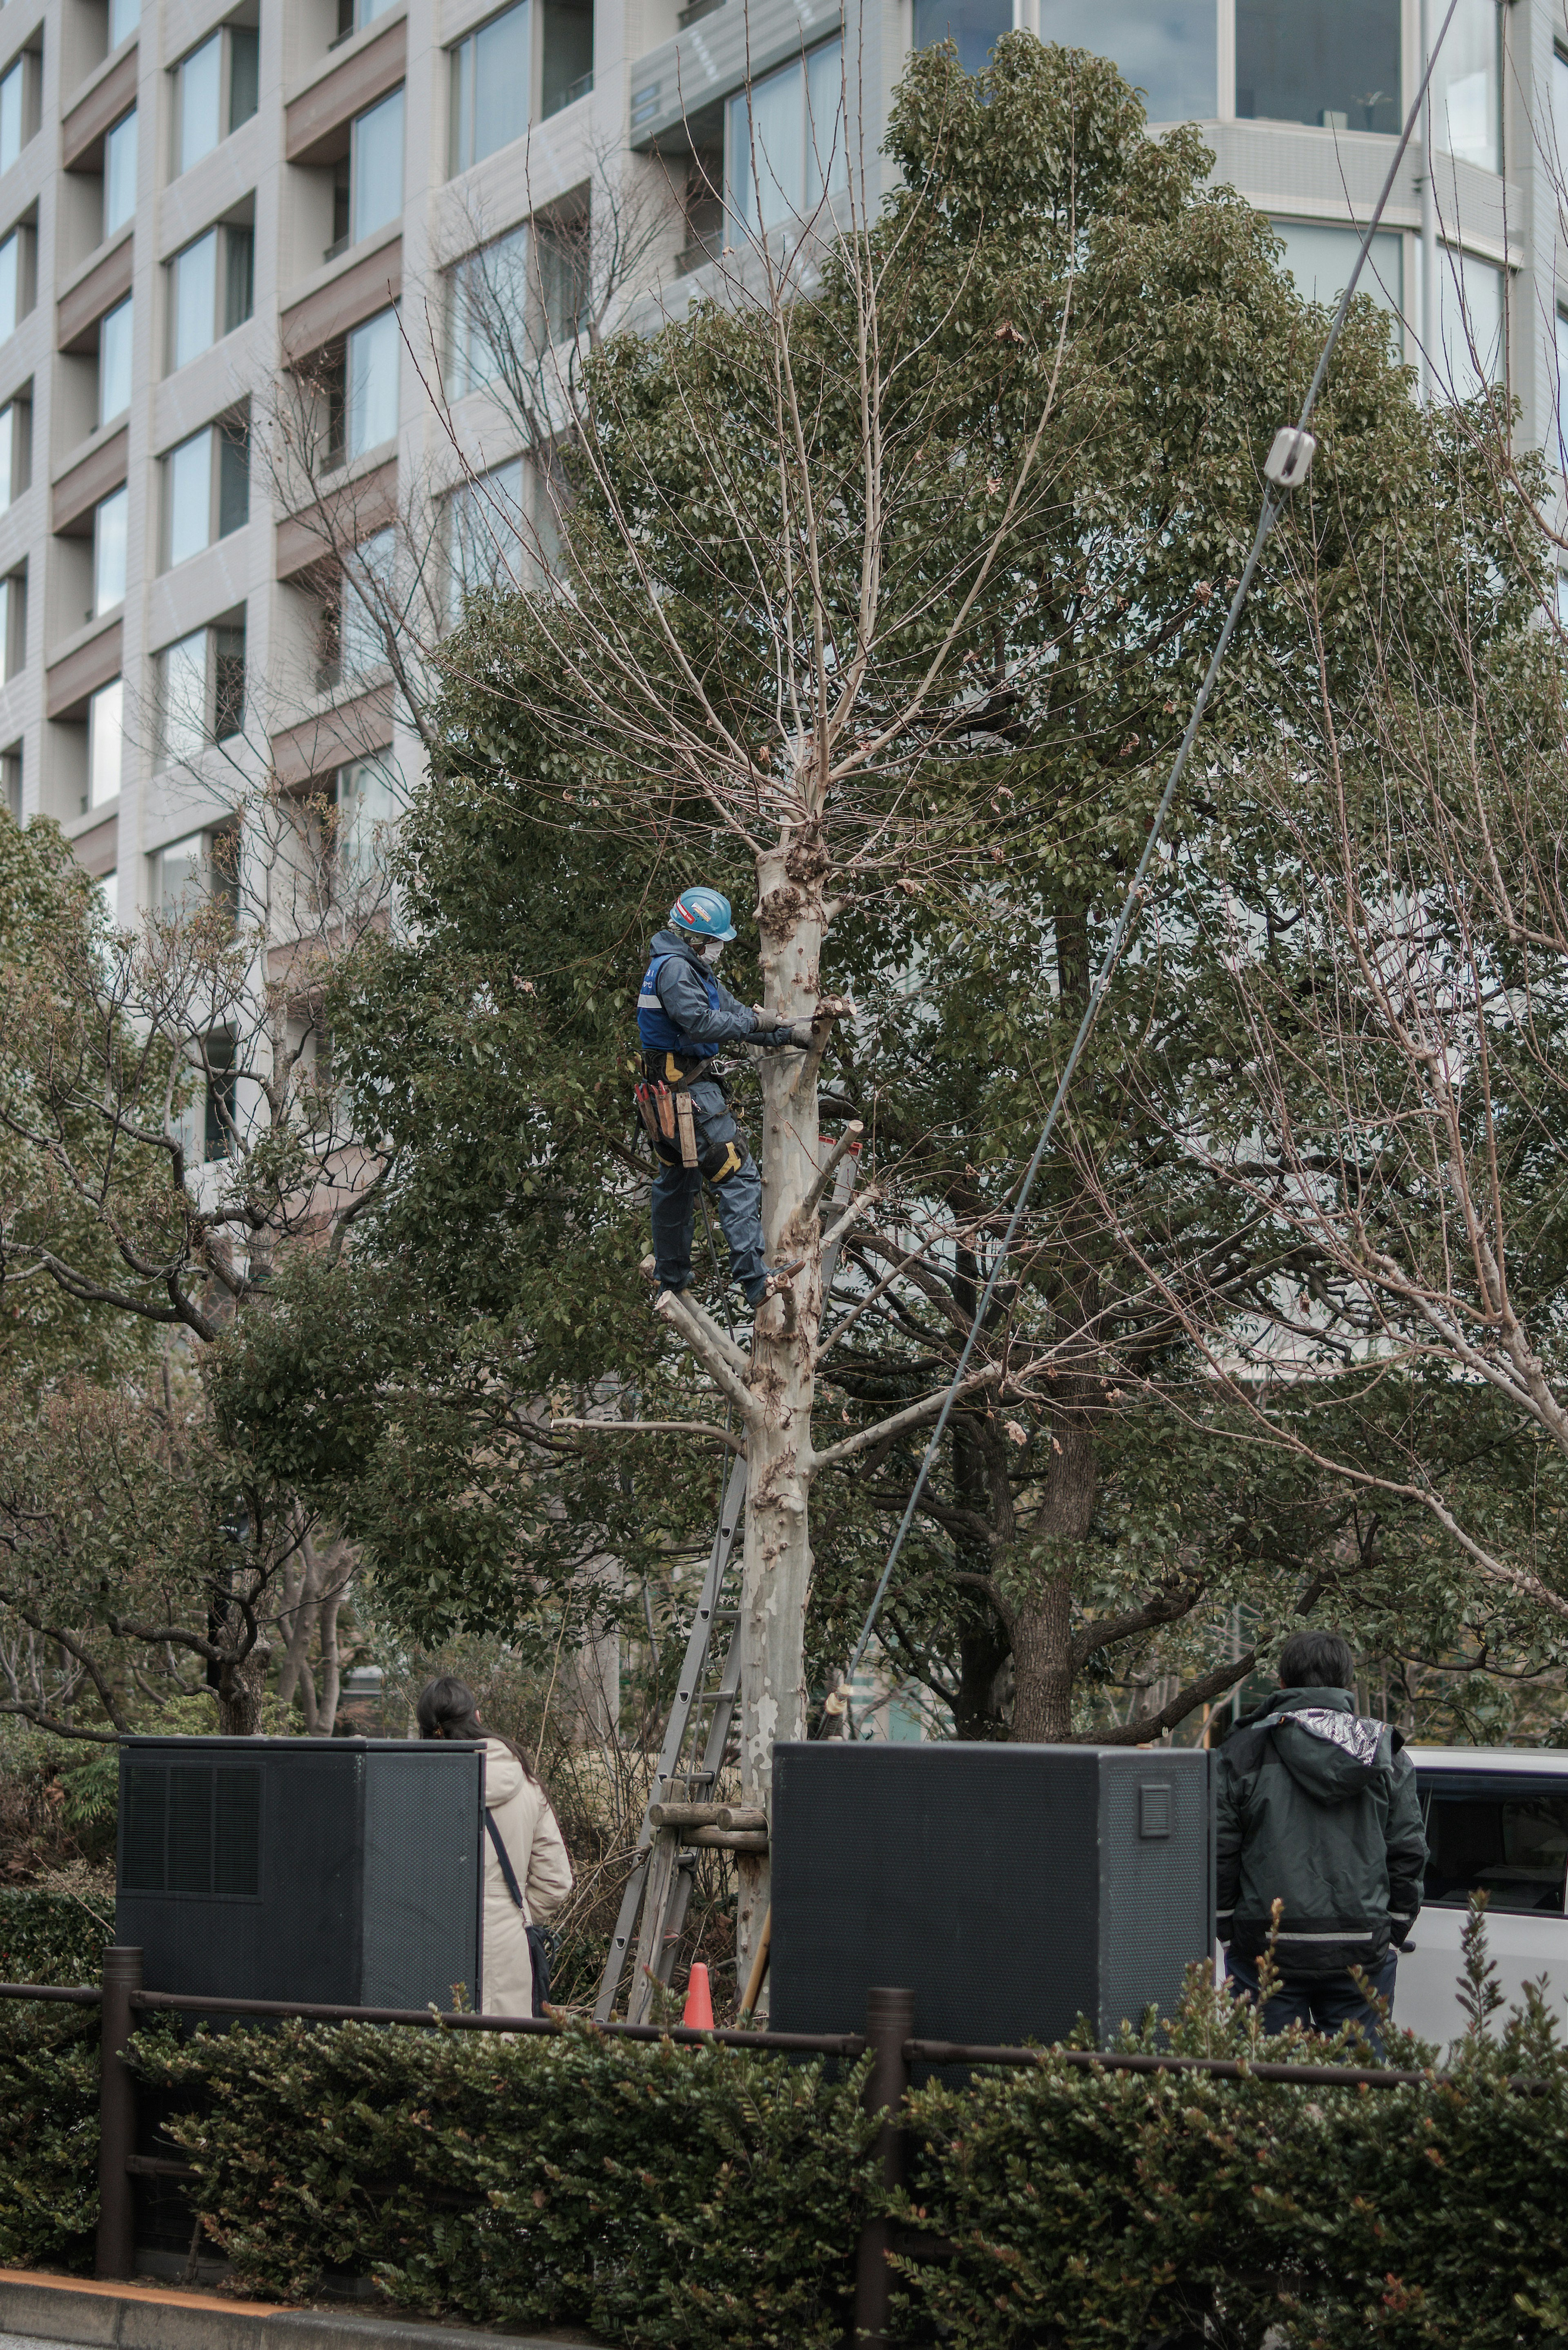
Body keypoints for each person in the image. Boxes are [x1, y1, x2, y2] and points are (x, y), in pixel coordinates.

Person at [1215, 1628, 1427, 2053]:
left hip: (1265, 1947)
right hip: (1361, 1945)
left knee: (1265, 2085)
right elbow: (1409, 1851)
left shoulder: (1243, 1751)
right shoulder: (1385, 1753)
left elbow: (1220, 1850)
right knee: (1357, 2093)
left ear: (1282, 1683)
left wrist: (1227, 1928)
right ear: (1348, 1685)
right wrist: (1394, 1930)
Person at [636, 887, 813, 1306]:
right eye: (716, 941)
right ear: (697, 936)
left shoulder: (688, 968)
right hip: (687, 1094)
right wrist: (756, 1019)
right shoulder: (676, 970)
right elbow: (700, 1024)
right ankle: (755, 1279)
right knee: (738, 1175)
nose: (718, 948)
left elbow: (734, 1017)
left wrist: (788, 1033)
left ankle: (672, 1278)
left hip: (669, 1097)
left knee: (677, 1184)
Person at [416, 1677, 573, 2018]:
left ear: (427, 1731)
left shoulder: (412, 1788)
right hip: (506, 1945)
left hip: (427, 1937)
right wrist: (514, 1913)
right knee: (500, 2054)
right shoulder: (528, 1786)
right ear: (478, 1717)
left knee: (431, 2053)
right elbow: (557, 1880)